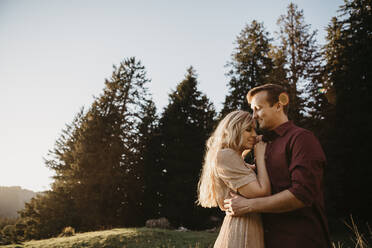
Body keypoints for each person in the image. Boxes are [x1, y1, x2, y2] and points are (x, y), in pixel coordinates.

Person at [224, 84, 331, 248]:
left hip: (301, 241)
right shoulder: (261, 144)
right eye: (252, 110)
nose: (254, 116)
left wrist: (248, 206)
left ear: (278, 106)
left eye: (258, 109)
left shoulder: (301, 139)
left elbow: (301, 194)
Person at [197, 110, 271, 248]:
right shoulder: (227, 156)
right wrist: (260, 156)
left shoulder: (235, 159)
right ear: (233, 130)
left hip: (248, 226)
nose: (254, 135)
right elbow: (262, 192)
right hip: (242, 230)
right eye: (248, 130)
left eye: (255, 129)